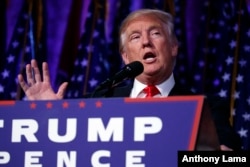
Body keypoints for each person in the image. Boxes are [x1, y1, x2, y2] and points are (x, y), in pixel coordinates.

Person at [18, 9, 241, 150]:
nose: (146, 42)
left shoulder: (206, 107)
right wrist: (52, 117)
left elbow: (233, 159)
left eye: (155, 33)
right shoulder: (98, 103)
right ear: (125, 57)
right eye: (135, 37)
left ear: (173, 47)